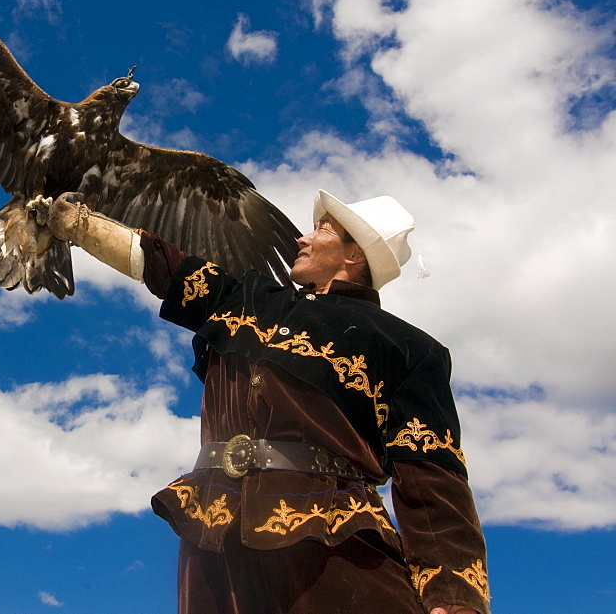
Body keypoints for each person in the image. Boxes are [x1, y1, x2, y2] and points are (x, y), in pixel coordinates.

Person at [43, 190, 490, 614]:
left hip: (330, 534)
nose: (303, 236)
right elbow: (162, 265)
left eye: (322, 230)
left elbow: (433, 474)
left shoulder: (408, 347)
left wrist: (454, 594)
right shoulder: (247, 299)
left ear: (355, 255)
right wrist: (77, 225)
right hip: (212, 527)